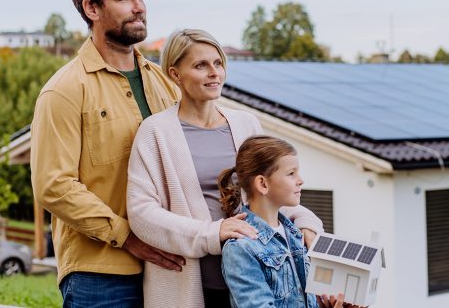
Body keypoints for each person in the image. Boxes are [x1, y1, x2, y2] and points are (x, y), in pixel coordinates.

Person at [126, 28, 323, 308]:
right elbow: (142, 214)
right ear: (174, 73)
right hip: (189, 285)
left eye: (218, 63)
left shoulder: (247, 124)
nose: (214, 72)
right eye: (200, 65)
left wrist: (306, 223)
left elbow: (268, 191)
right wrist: (211, 233)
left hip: (259, 281)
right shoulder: (154, 132)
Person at [31, 0, 185, 307]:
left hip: (170, 266)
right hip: (100, 276)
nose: (139, 8)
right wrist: (127, 236)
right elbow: (54, 186)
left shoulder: (163, 82)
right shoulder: (65, 90)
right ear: (92, 8)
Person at [219, 136, 356, 308]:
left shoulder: (298, 234)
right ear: (263, 183)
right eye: (291, 173)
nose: (301, 180)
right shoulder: (241, 249)